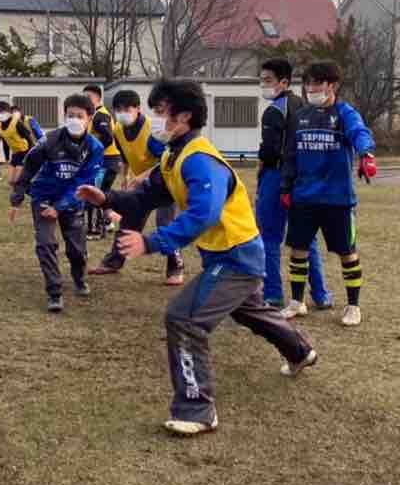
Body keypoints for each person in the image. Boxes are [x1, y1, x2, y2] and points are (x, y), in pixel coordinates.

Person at [77, 79, 317, 436]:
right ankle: (300, 351)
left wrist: (152, 242)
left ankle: (197, 409)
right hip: (225, 255)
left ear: (184, 116)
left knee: (184, 318)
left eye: (161, 112)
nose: (156, 121)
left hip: (237, 258)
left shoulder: (200, 160)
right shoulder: (173, 155)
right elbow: (146, 197)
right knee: (249, 310)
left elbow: (203, 214)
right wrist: (107, 199)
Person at [279, 60, 377, 327]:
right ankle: (297, 302)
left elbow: (360, 133)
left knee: (347, 252)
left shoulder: (345, 113)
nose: (311, 89)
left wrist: (366, 154)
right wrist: (286, 187)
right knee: (298, 250)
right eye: (308, 83)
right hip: (304, 197)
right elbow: (290, 155)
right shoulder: (301, 116)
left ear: (332, 85)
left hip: (337, 199)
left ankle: (353, 306)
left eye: (317, 83)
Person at [8, 93, 104, 313]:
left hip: (73, 200)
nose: (74, 120)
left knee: (77, 249)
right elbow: (29, 167)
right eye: (70, 115)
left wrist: (60, 207)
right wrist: (17, 198)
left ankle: (79, 278)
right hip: (43, 197)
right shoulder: (49, 141)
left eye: (79, 116)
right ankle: (54, 292)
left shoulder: (95, 148)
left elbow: (84, 182)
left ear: (89, 118)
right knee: (46, 243)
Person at [256, 59, 332, 310]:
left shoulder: (274, 111)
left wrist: (261, 164)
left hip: (276, 177)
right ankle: (321, 294)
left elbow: (269, 151)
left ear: (284, 82)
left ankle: (273, 293)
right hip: (303, 178)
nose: (263, 85)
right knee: (306, 238)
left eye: (268, 80)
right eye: (262, 80)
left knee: (270, 237)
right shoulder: (305, 107)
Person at [88, 88, 184, 285]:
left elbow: (167, 160)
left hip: (166, 182)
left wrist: (141, 177)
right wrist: (126, 176)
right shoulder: (118, 129)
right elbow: (125, 155)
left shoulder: (152, 130)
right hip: (144, 184)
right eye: (118, 110)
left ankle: (176, 268)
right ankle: (113, 262)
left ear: (138, 109)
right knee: (129, 220)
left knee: (165, 223)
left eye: (127, 109)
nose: (122, 113)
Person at [82, 84, 121, 239]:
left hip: (106, 161)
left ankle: (95, 230)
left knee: (94, 193)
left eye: (88, 97)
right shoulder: (94, 115)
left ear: (98, 98)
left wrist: (94, 152)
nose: (85, 100)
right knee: (102, 193)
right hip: (107, 161)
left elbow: (108, 137)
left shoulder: (101, 115)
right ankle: (107, 222)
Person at [0, 99, 40, 186]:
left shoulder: (16, 123)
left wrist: (31, 153)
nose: (0, 114)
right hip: (15, 154)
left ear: (8, 112)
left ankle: (26, 188)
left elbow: (28, 137)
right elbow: (5, 143)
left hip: (25, 152)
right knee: (10, 181)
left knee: (17, 180)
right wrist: (7, 158)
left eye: (3, 111)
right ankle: (24, 187)